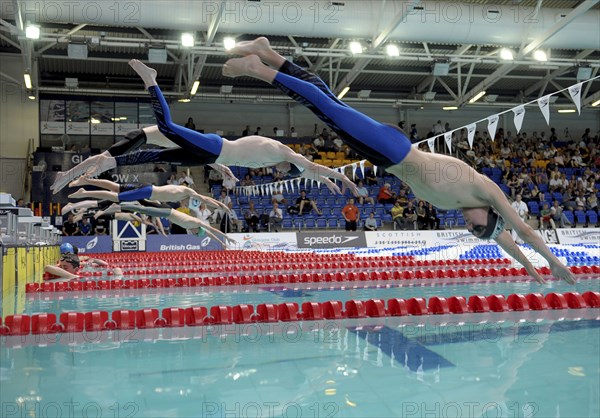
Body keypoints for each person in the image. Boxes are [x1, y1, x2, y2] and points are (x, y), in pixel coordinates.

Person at [223, 37, 574, 284]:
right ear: (493, 218)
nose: (471, 228)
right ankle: (258, 68)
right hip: (393, 149)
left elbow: (505, 241)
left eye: (473, 232)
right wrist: (553, 262)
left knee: (329, 102)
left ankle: (266, 52)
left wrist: (530, 270)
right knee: (327, 109)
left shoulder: (468, 208)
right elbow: (522, 231)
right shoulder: (486, 192)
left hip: (387, 153)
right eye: (478, 228)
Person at [97, 202, 234, 247]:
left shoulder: (191, 228)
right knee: (141, 209)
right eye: (195, 233)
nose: (192, 234)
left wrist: (221, 243)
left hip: (164, 213)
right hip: (167, 210)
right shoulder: (195, 222)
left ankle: (118, 206)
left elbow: (209, 234)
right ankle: (117, 205)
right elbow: (211, 229)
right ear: (197, 230)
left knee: (144, 210)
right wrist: (225, 238)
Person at [65, 176, 226, 213]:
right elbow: (204, 198)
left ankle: (86, 180)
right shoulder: (187, 191)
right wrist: (221, 205)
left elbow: (202, 200)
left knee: (116, 187)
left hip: (147, 188)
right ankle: (85, 191)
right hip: (148, 191)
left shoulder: (181, 197)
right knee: (116, 197)